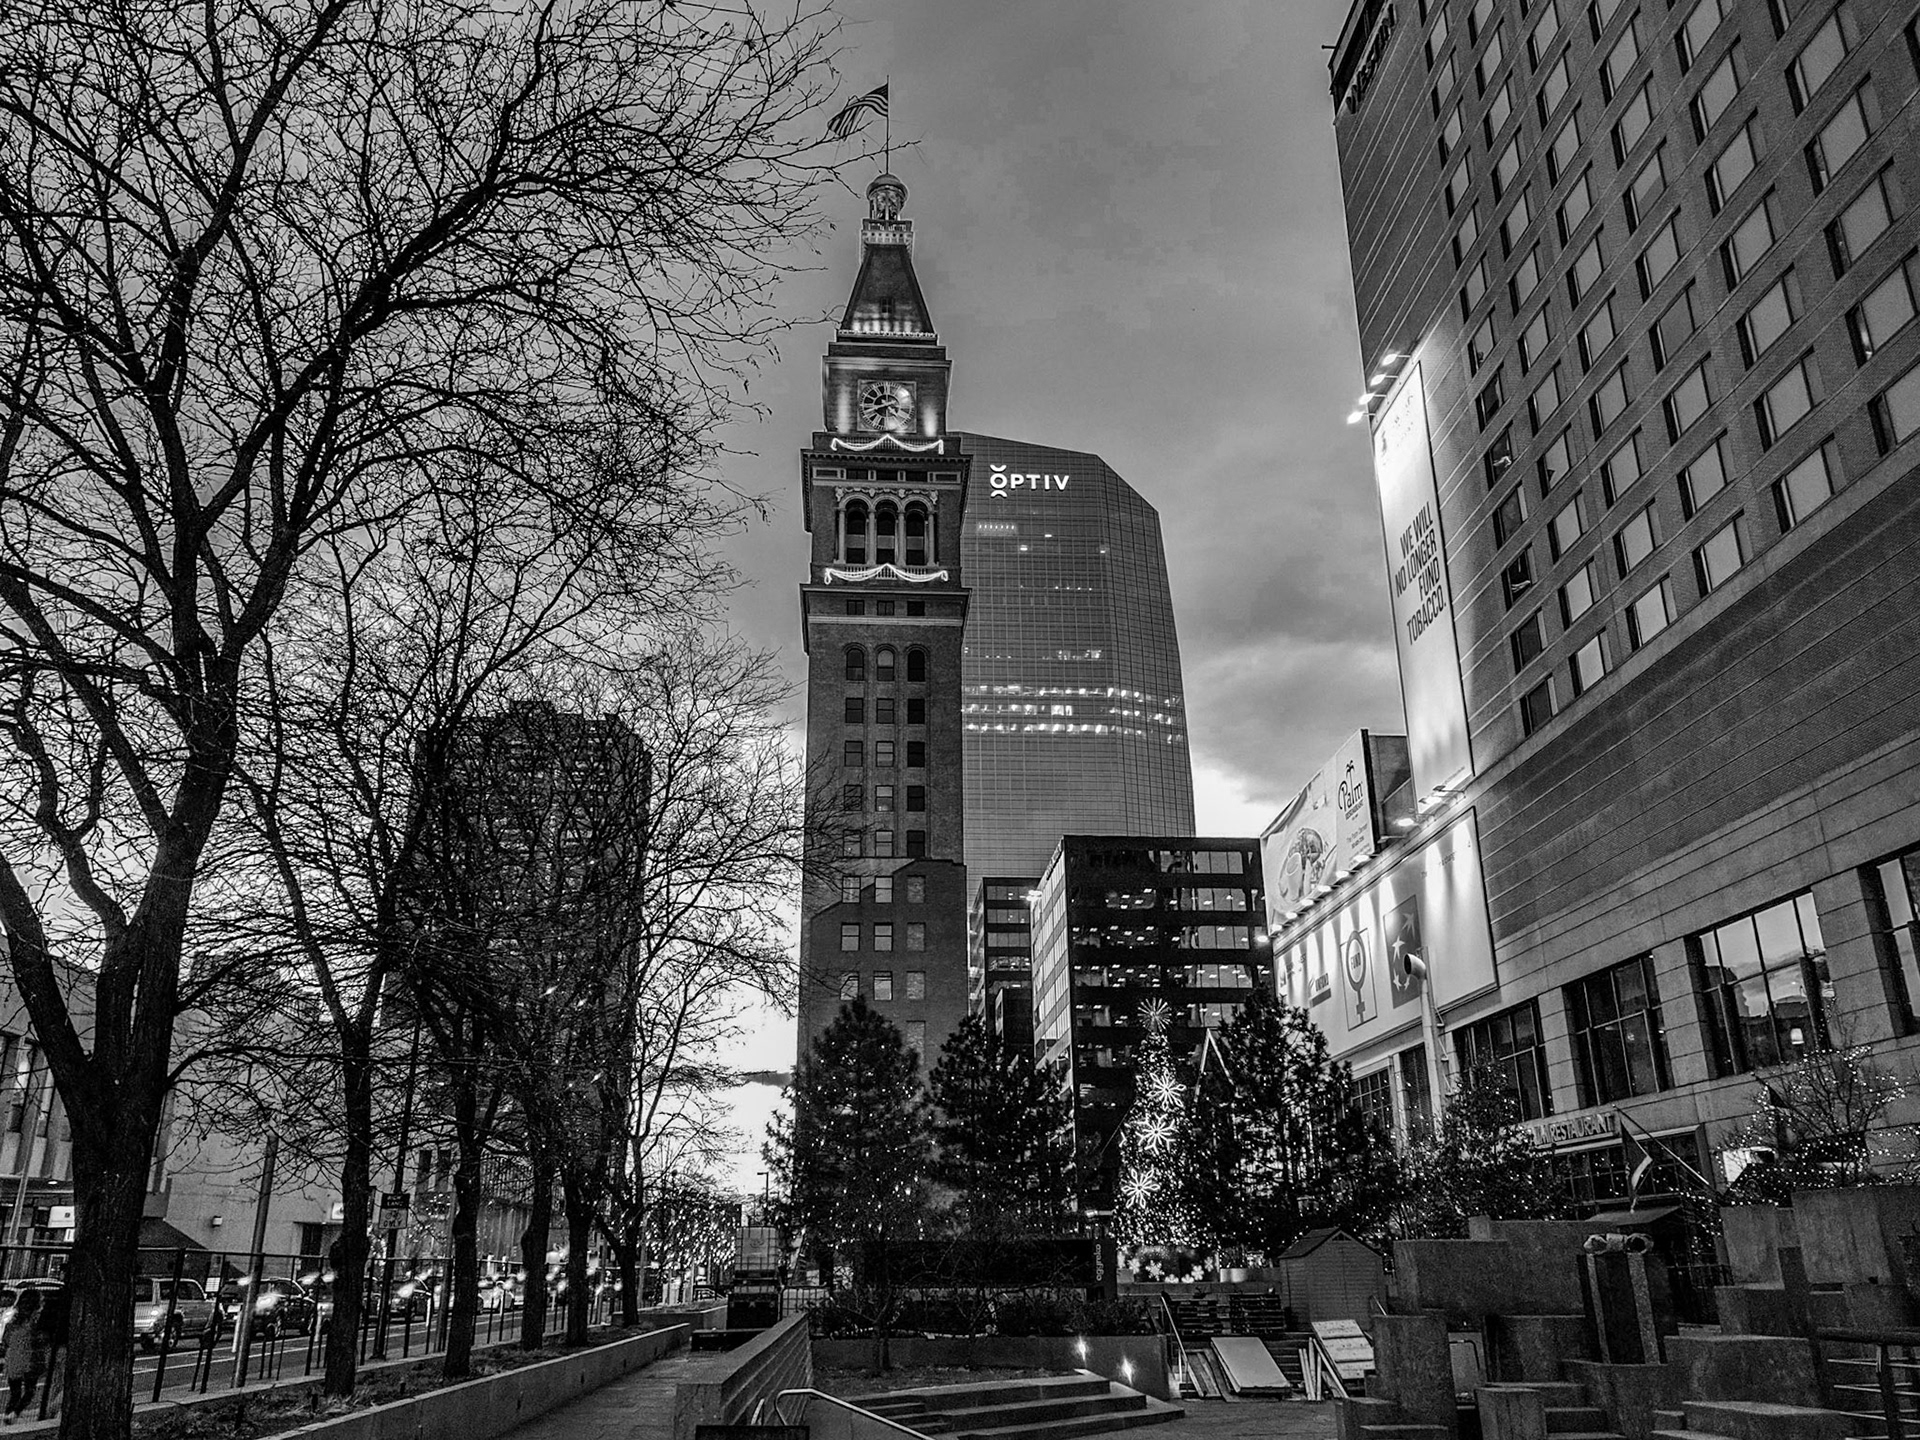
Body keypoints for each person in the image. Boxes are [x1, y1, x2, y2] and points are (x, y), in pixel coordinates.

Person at [0, 1289, 45, 1424]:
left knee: (15, 1393)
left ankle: (9, 1416)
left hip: (13, 1359)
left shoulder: (12, 1321)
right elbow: (38, 1341)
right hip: (29, 1360)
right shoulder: (35, 1323)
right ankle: (14, 1413)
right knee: (29, 1391)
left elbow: (6, 1340)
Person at [33, 1290, 66, 1420]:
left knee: (54, 1381)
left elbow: (41, 1331)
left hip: (51, 1347)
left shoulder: (48, 1311)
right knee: (66, 1381)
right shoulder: (72, 1307)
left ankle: (48, 1409)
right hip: (65, 1346)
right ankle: (52, 1408)